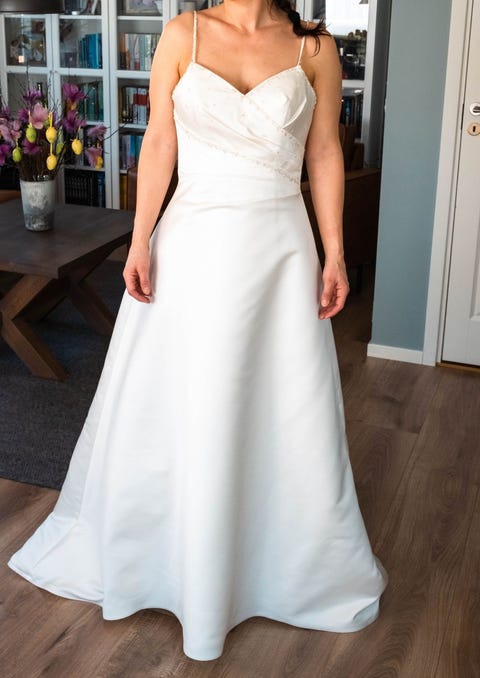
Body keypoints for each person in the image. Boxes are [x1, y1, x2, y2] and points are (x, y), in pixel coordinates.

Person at [8, 0, 388, 662]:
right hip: (190, 247)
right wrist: (139, 239)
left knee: (277, 403)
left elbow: (325, 150)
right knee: (177, 399)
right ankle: (169, 552)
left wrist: (334, 252)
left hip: (278, 252)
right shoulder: (182, 34)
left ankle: (270, 559)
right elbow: (160, 141)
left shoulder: (315, 46)